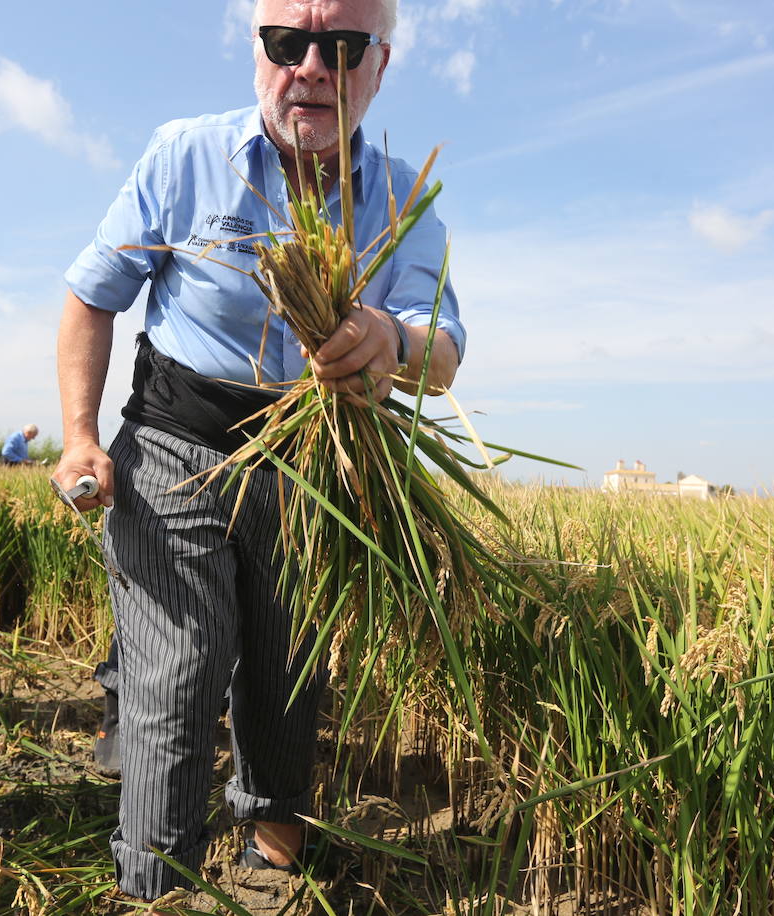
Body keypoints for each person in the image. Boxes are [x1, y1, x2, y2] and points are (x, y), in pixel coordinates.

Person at [51, 0, 464, 899]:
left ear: (380, 66)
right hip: (175, 441)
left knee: (289, 666)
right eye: (289, 42)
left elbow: (447, 352)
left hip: (316, 465)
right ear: (258, 52)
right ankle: (151, 881)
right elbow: (92, 296)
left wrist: (392, 338)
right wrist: (81, 435)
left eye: (342, 46)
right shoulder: (183, 156)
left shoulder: (404, 196)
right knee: (180, 664)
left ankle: (273, 861)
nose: (312, 66)